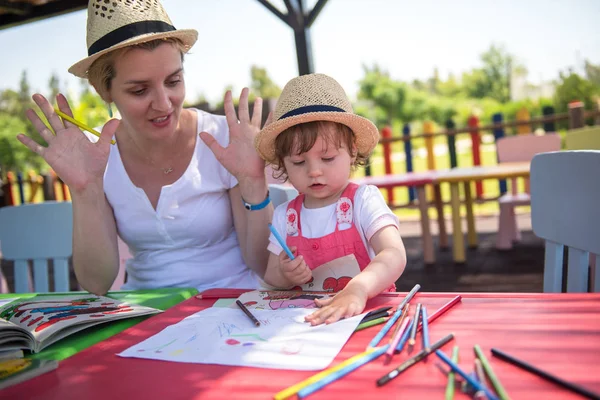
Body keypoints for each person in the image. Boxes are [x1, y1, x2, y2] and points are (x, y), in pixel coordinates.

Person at [16, 0, 272, 295]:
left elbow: (263, 266)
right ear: (105, 91)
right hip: (143, 313)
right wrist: (86, 189)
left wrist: (254, 182)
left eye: (173, 81)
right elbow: (96, 282)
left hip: (231, 306)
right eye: (139, 90)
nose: (164, 104)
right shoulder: (96, 155)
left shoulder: (224, 138)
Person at [255, 73, 407, 326]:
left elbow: (393, 253)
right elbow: (271, 277)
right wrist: (285, 274)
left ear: (352, 151)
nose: (314, 171)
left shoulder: (363, 200)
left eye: (327, 159)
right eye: (299, 162)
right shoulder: (285, 216)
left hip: (369, 318)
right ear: (283, 163)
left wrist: (359, 288)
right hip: (309, 325)